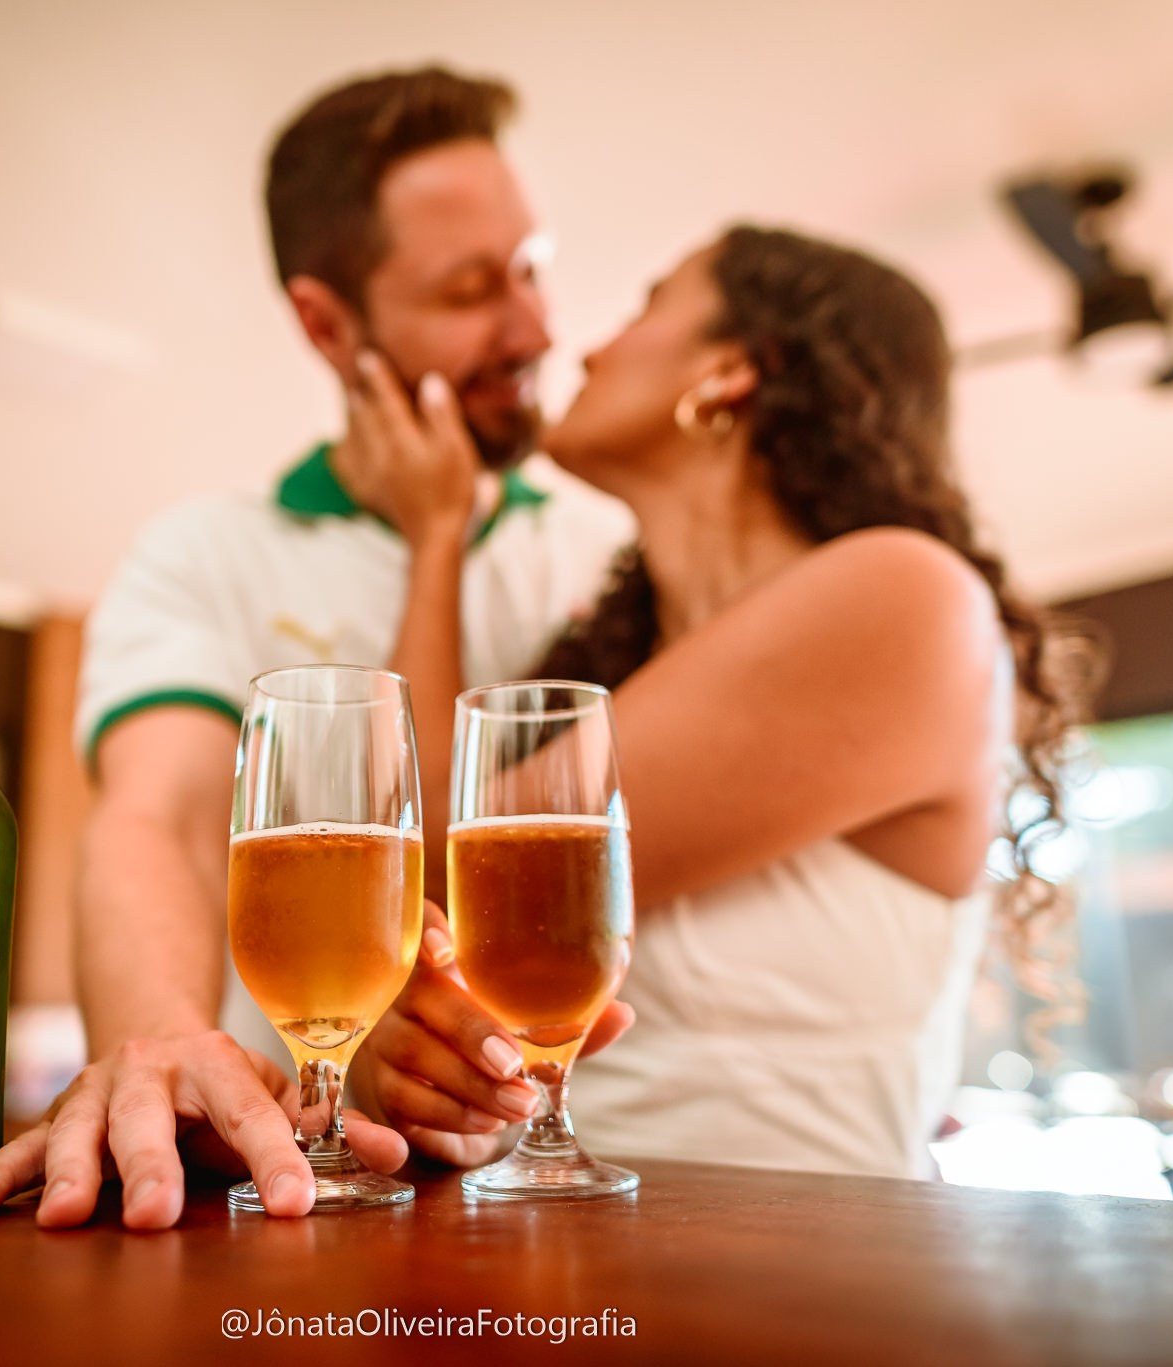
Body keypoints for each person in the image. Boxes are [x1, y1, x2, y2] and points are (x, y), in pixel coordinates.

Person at [0, 67, 633, 1229]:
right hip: (315, 1201)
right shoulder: (204, 552)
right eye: (472, 288)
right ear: (326, 322)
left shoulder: (607, 542)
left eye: (530, 265)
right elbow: (153, 816)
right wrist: (160, 1033)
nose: (534, 327)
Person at [350, 225, 1098, 1177]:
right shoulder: (628, 674)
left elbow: (435, 869)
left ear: (733, 371)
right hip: (567, 1261)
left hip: (806, 1280)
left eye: (645, 307)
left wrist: (435, 533)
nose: (586, 348)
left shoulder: (904, 596)